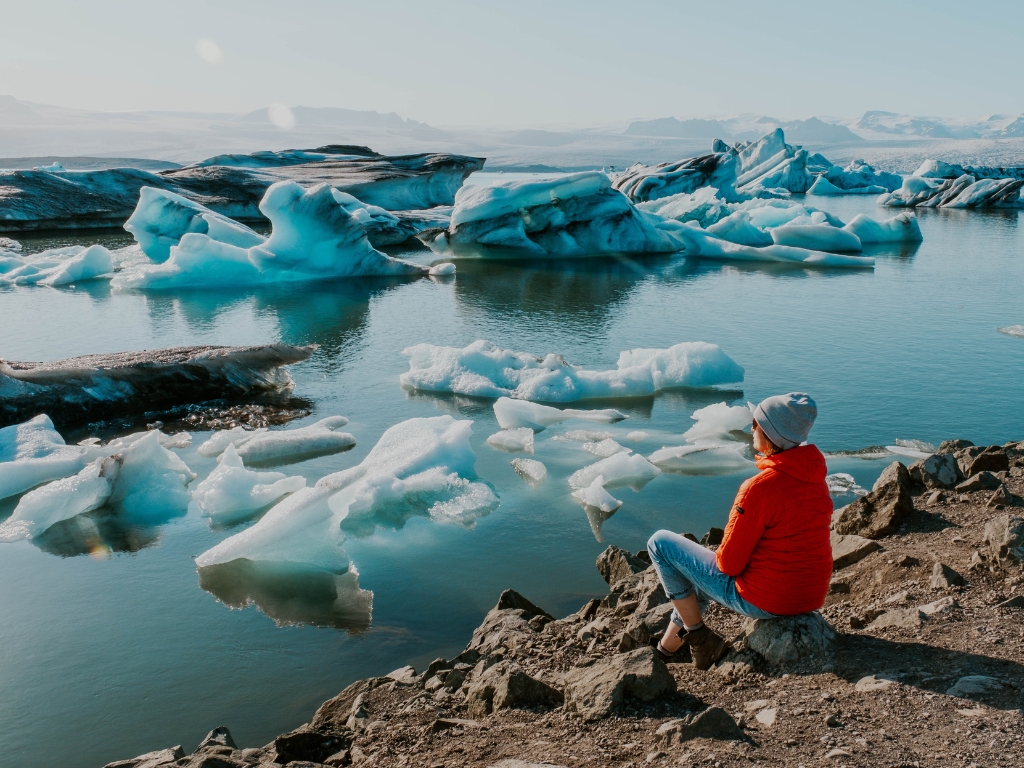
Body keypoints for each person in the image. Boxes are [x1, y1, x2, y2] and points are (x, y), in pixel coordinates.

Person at [646, 392, 833, 670]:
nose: (751, 428)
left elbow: (728, 565)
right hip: (809, 595)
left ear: (770, 432)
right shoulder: (814, 480)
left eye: (756, 423)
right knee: (696, 582)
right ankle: (664, 652)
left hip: (768, 599)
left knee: (659, 543)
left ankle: (699, 638)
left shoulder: (760, 487)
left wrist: (712, 556)